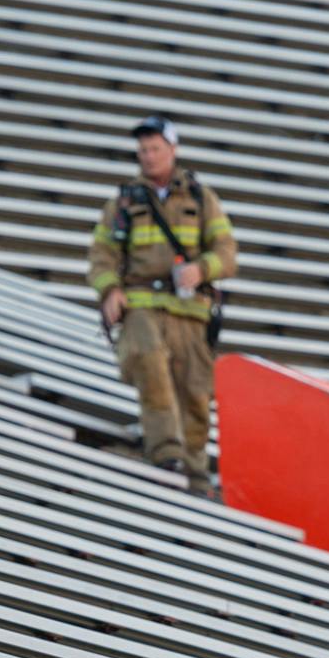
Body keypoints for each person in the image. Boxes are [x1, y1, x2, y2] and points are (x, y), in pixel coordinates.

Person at [86, 114, 235, 497]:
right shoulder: (123, 200)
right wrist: (110, 291)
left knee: (196, 395)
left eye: (155, 148)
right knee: (150, 362)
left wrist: (202, 269)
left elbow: (227, 252)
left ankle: (197, 477)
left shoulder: (201, 198)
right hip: (142, 304)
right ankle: (166, 453)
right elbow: (102, 254)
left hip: (191, 311)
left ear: (173, 150)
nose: (148, 156)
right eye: (143, 150)